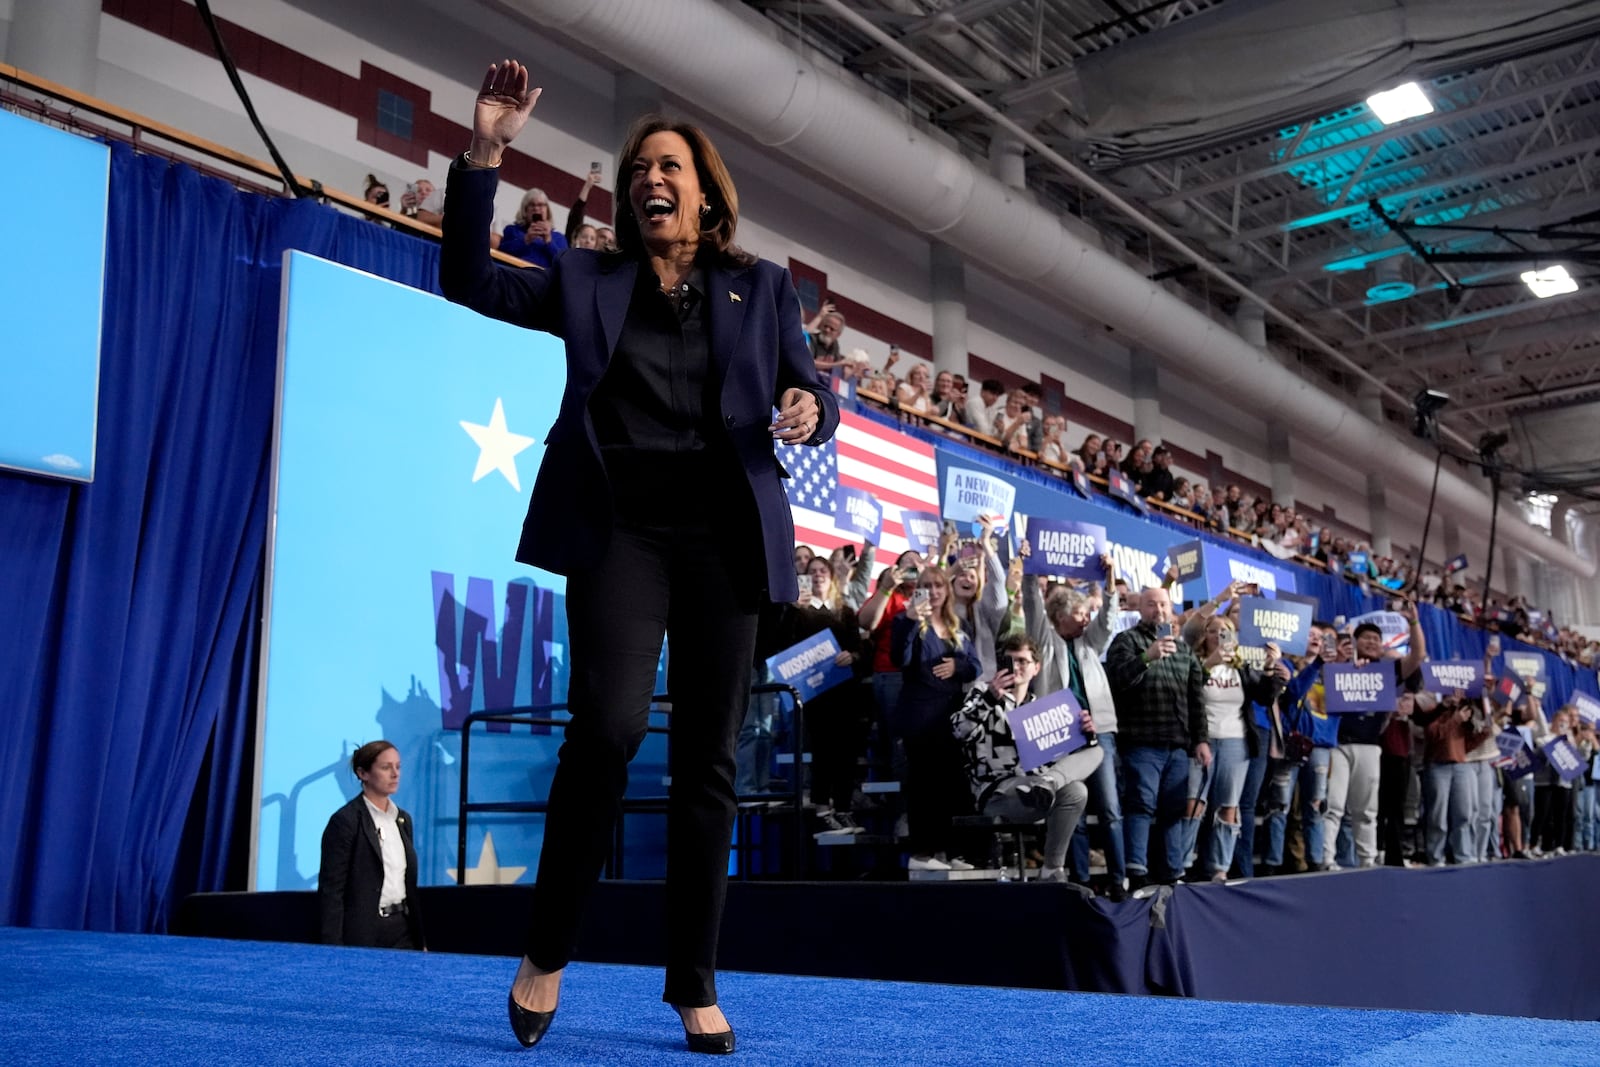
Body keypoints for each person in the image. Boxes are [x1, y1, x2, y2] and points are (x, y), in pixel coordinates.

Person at [439, 60, 839, 1054]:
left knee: (709, 762)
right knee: (608, 730)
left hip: (723, 539)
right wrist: (486, 148)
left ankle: (693, 982)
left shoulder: (764, 286)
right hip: (619, 530)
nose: (649, 178)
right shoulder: (588, 275)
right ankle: (545, 951)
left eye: (667, 165)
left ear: (704, 191)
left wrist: (809, 408)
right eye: (637, 169)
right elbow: (467, 276)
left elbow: (813, 397)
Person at [950, 635, 1102, 881]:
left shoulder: (1043, 708)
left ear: (1036, 668)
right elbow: (959, 730)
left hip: (1040, 787)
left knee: (1083, 780)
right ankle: (1047, 784)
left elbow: (1062, 760)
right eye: (1010, 661)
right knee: (1042, 787)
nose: (1016, 667)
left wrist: (1085, 734)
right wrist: (990, 697)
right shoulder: (984, 692)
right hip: (998, 791)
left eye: (1022, 661)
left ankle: (1052, 868)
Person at [1105, 586, 1209, 888]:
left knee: (1174, 810)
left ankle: (1173, 873)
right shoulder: (1125, 641)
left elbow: (1196, 700)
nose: (1159, 610)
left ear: (1171, 607)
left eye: (1163, 604)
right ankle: (1136, 872)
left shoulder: (1184, 650)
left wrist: (1201, 739)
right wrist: (1147, 657)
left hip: (1177, 745)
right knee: (1140, 805)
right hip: (1140, 742)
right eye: (1152, 605)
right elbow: (1118, 680)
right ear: (1141, 608)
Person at [318, 741, 424, 950]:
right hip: (364, 932)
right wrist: (331, 949)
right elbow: (332, 892)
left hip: (402, 929)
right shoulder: (346, 821)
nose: (395, 774)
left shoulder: (402, 819)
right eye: (386, 767)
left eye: (398, 766)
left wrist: (420, 940)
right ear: (363, 773)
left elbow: (408, 884)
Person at [499, 187, 569, 269]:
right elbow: (502, 253)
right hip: (516, 273)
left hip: (542, 278)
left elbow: (564, 265)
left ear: (547, 210)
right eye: (532, 205)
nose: (536, 208)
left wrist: (549, 242)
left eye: (540, 205)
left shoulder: (559, 238)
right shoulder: (512, 230)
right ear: (525, 210)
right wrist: (526, 239)